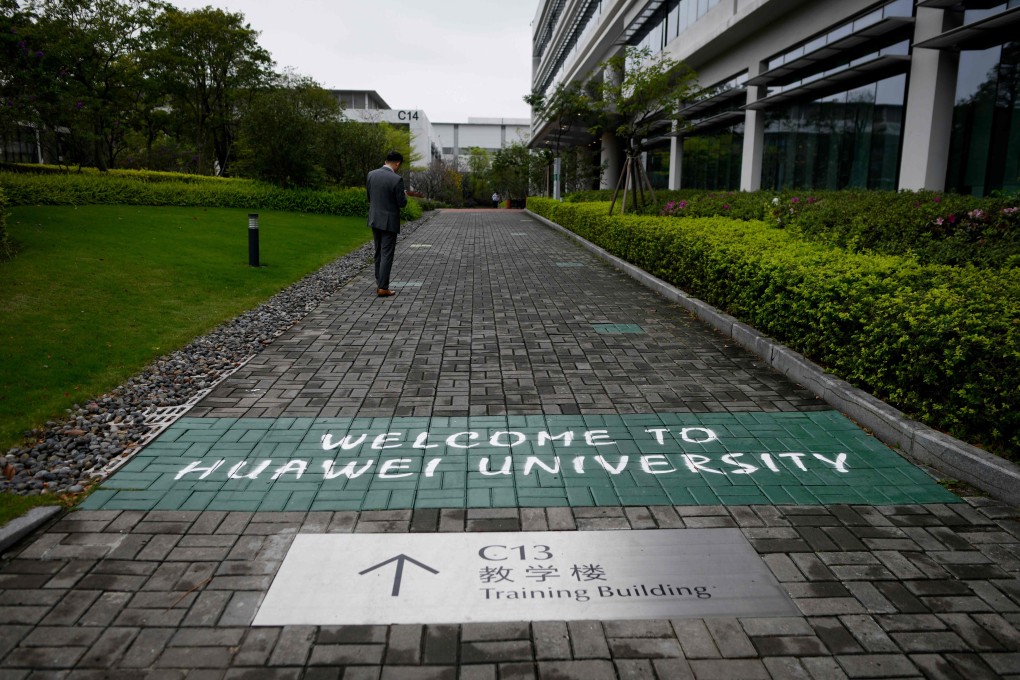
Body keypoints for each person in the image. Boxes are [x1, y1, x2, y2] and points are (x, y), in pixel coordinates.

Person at [366, 150, 408, 297]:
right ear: (397, 163)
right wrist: (404, 194)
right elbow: (402, 203)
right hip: (389, 221)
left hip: (374, 218)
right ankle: (383, 287)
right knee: (387, 254)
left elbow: (369, 197)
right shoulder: (396, 179)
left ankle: (379, 283)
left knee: (378, 252)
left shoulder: (371, 175)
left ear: (385, 161)